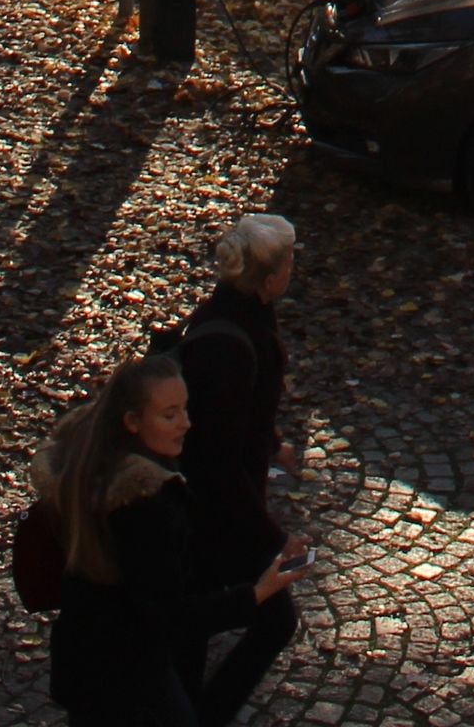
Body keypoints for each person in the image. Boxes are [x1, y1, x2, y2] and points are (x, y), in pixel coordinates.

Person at [38, 350, 304, 726]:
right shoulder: (147, 506)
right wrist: (256, 594)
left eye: (184, 409)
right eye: (169, 414)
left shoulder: (93, 472)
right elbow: (169, 614)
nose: (185, 424)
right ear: (132, 421)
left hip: (90, 662)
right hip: (127, 678)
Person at [176, 217, 296, 584]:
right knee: (269, 619)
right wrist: (276, 537)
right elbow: (220, 459)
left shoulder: (237, 314)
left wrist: (272, 445)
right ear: (270, 279)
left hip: (224, 504)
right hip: (216, 513)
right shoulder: (233, 347)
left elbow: (242, 412)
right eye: (289, 263)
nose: (293, 270)